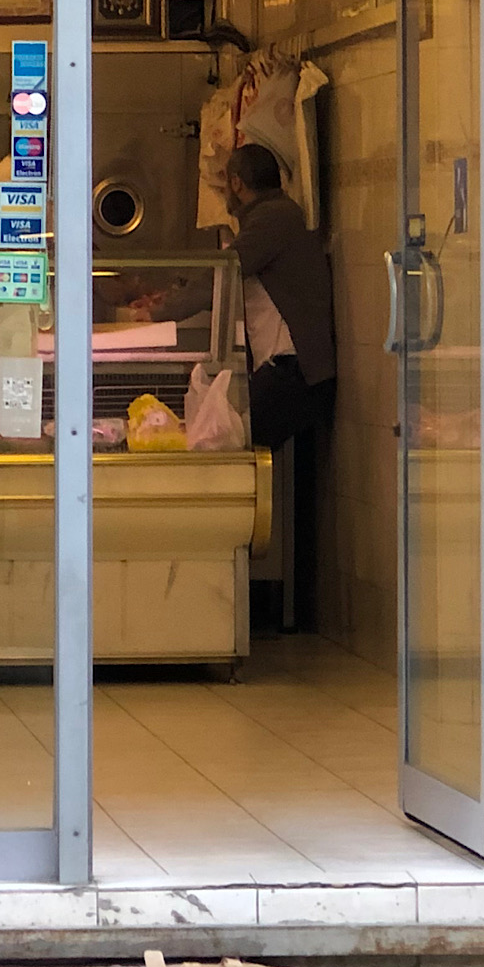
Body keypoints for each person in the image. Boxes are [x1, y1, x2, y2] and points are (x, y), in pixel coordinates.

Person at [151, 141, 336, 632]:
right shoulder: (276, 218)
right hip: (291, 372)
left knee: (219, 457)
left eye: (224, 185)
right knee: (225, 449)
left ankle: (209, 597)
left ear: (237, 182)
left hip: (296, 374)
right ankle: (215, 592)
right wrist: (169, 294)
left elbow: (224, 274)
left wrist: (158, 311)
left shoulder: (273, 219)